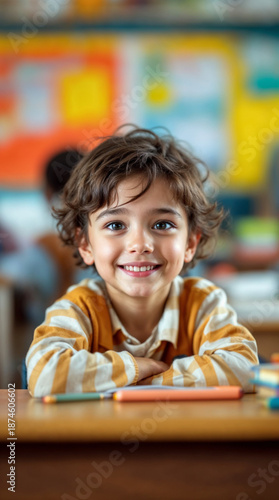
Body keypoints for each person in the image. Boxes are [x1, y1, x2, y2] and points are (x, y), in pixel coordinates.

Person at [26, 126, 258, 397]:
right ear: (85, 243)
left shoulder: (202, 303)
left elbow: (245, 368)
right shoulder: (79, 308)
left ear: (191, 242)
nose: (140, 244)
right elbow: (44, 373)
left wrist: (146, 382)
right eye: (115, 225)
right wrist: (137, 368)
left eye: (162, 224)